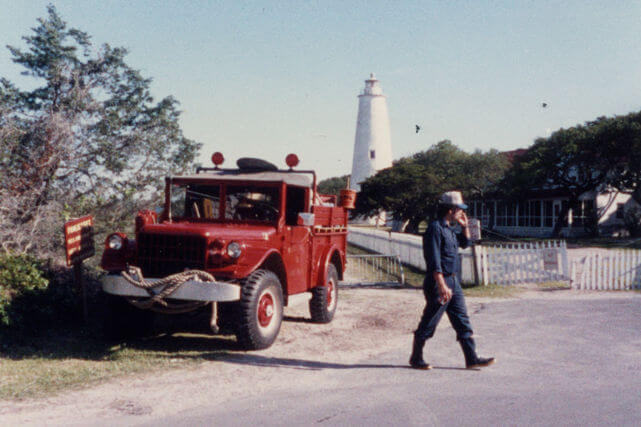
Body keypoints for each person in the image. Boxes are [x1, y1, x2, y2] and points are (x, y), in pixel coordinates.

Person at [409, 191, 495, 370]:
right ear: (450, 209)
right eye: (459, 210)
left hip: (454, 283)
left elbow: (465, 244)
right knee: (430, 321)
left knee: (463, 321)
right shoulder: (435, 228)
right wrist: (441, 285)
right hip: (439, 283)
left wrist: (464, 227)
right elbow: (433, 259)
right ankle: (416, 358)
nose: (461, 213)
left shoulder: (449, 229)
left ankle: (472, 358)